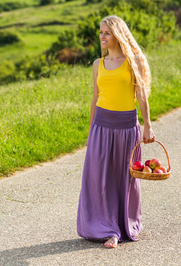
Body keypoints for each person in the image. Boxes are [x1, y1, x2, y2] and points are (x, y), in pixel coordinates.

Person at [76, 15, 155, 248]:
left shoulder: (135, 61)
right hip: (101, 125)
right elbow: (95, 97)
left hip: (126, 127)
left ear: (118, 34)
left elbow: (141, 95)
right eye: (101, 32)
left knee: (123, 179)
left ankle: (121, 226)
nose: (102, 36)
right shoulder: (96, 64)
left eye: (107, 32)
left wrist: (148, 125)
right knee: (99, 178)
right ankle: (106, 228)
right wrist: (91, 130)